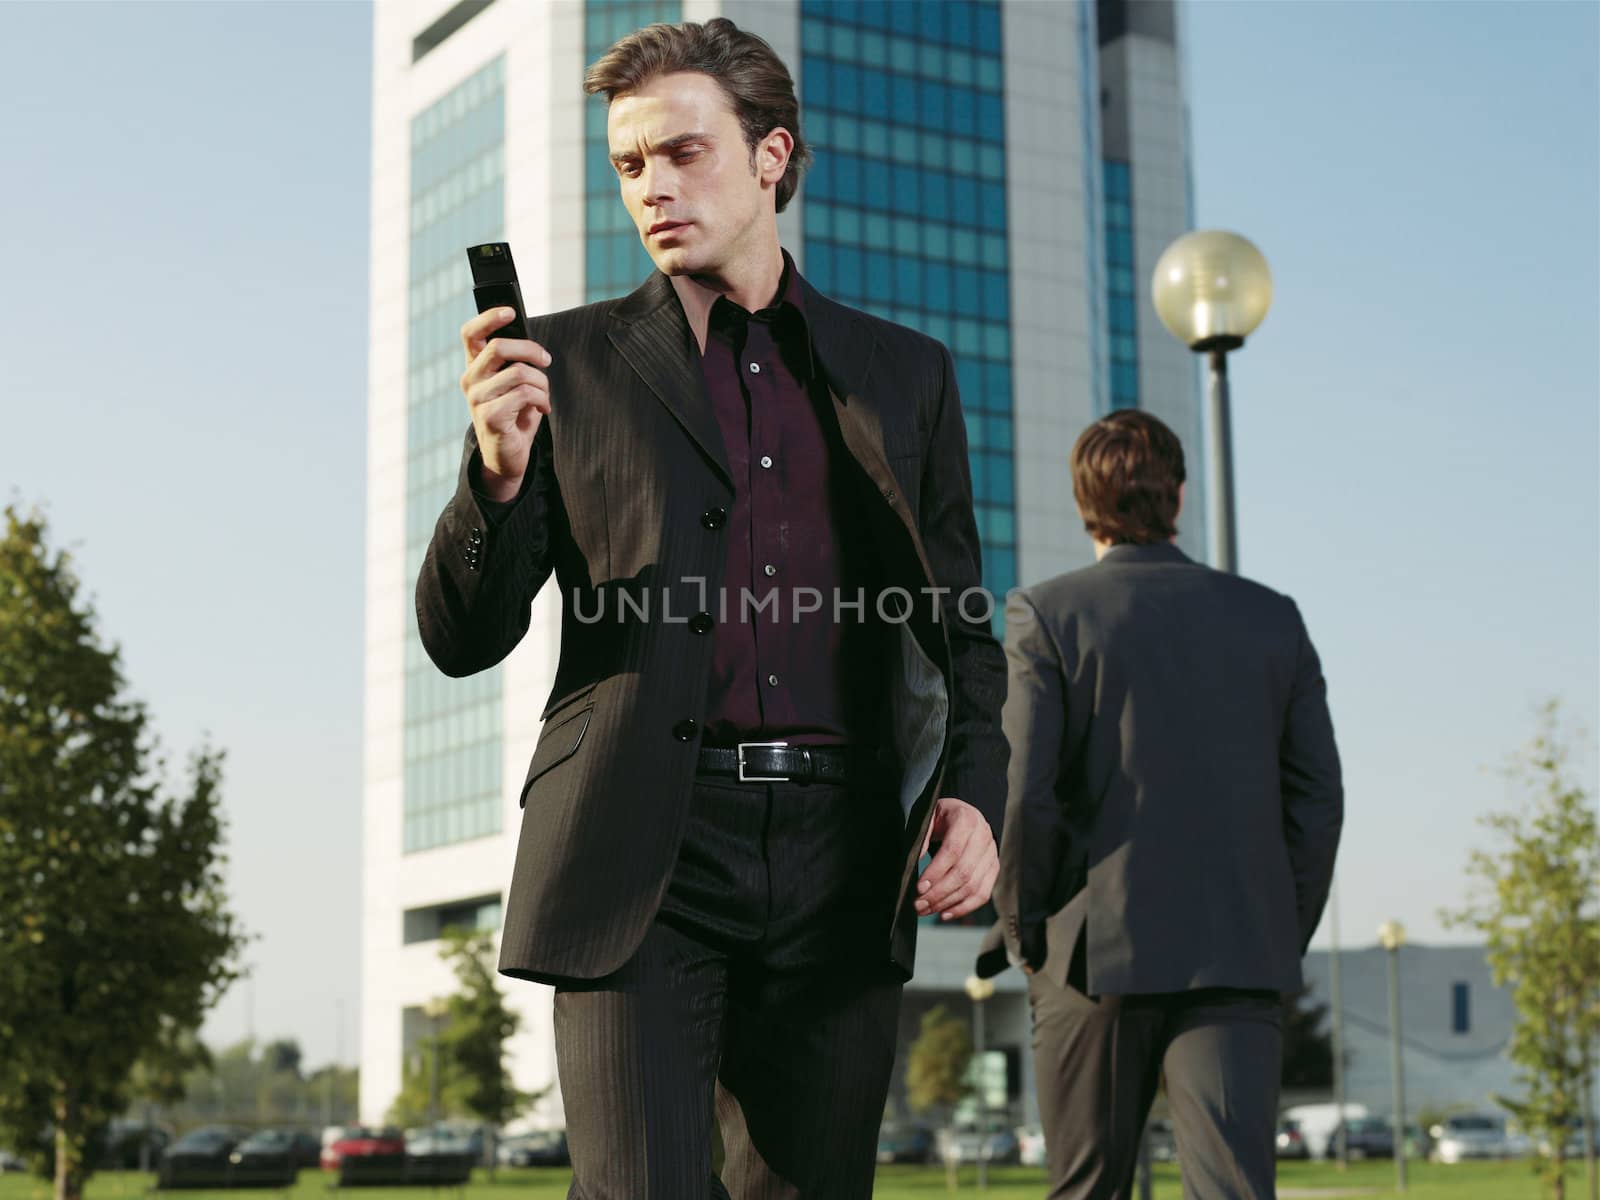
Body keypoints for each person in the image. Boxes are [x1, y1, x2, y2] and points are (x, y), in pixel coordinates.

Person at [414, 17, 1007, 1199]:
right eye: (631, 165)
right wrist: (495, 472)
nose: (653, 188)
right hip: (643, 847)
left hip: (844, 862)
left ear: (773, 156)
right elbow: (462, 637)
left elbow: (960, 628)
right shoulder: (561, 366)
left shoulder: (904, 372)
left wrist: (976, 799)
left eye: (684, 154)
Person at [977, 409, 1344, 1199]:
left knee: (1085, 1191)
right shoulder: (1272, 617)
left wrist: (1024, 932)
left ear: (1083, 504)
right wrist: (1275, 927)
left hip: (1088, 959)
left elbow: (1023, 792)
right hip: (1235, 958)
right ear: (1177, 497)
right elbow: (1318, 803)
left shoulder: (1046, 615)